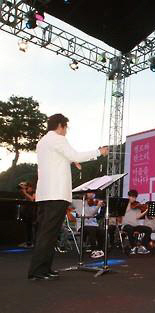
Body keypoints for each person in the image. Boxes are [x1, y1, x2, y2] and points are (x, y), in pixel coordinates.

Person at [28, 113, 108, 281]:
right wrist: (98, 152)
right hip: (56, 193)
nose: (66, 131)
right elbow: (76, 155)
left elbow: (58, 158)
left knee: (47, 232)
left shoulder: (43, 141)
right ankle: (38, 271)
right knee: (49, 233)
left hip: (46, 193)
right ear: (60, 125)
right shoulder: (57, 139)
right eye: (66, 127)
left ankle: (43, 268)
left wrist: (70, 161)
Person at [122, 190, 152, 255]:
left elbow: (138, 217)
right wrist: (130, 204)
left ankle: (142, 246)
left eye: (134, 197)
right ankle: (133, 247)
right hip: (126, 225)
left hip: (135, 225)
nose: (133, 199)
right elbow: (124, 211)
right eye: (131, 197)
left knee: (148, 229)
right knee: (130, 229)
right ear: (128, 197)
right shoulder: (124, 204)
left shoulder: (137, 206)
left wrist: (146, 211)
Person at [80, 192, 106, 259]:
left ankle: (99, 249)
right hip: (83, 225)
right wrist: (98, 206)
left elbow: (99, 215)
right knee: (92, 230)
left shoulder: (94, 203)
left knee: (102, 231)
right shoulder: (82, 203)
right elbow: (90, 214)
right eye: (89, 193)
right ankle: (93, 250)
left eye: (93, 193)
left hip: (93, 225)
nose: (91, 194)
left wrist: (102, 208)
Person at [18, 182, 37, 248]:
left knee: (32, 229)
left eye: (27, 188)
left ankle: (32, 243)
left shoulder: (34, 192)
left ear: (31, 187)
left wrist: (25, 193)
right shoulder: (25, 193)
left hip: (33, 213)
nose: (26, 189)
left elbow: (32, 199)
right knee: (27, 228)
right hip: (26, 213)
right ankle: (28, 242)